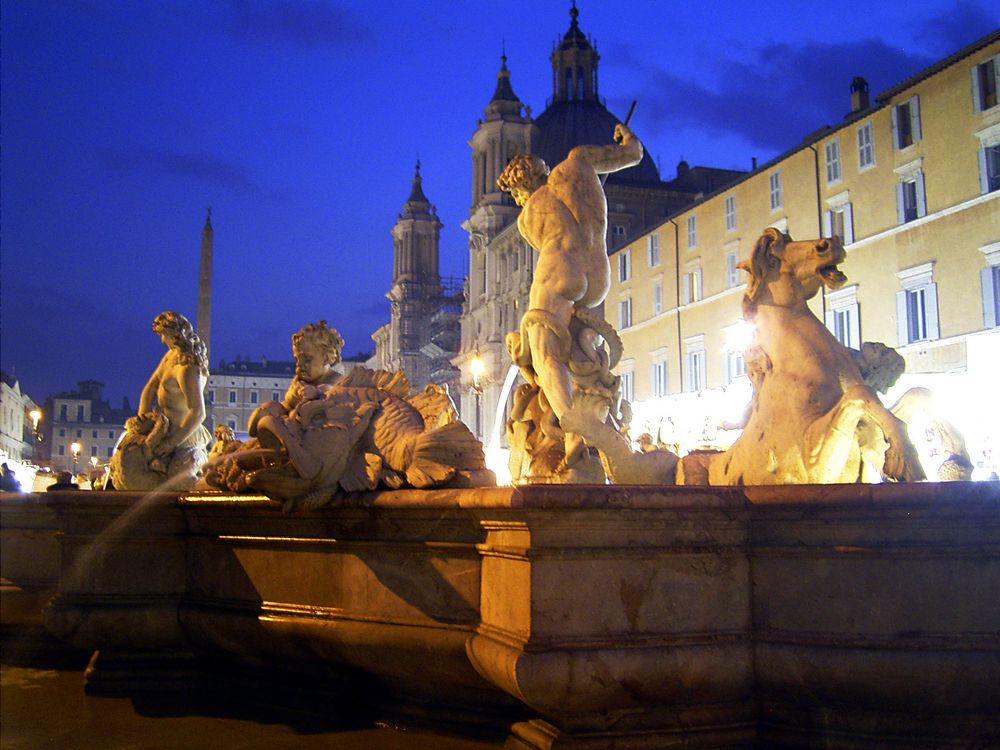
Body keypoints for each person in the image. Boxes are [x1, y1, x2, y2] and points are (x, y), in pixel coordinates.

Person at [498, 123, 643, 470]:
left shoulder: (527, 214)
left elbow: (546, 238)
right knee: (577, 345)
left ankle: (573, 428)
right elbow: (634, 154)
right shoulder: (578, 163)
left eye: (515, 194)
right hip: (597, 275)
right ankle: (600, 423)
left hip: (559, 270)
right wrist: (625, 136)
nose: (518, 200)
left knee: (546, 354)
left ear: (520, 186)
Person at [116, 311, 210, 487]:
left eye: (163, 335)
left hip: (182, 435)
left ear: (176, 334)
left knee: (177, 483)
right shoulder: (170, 357)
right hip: (161, 429)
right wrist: (142, 419)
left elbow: (198, 412)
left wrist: (171, 443)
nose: (161, 340)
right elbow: (150, 386)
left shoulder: (187, 368)